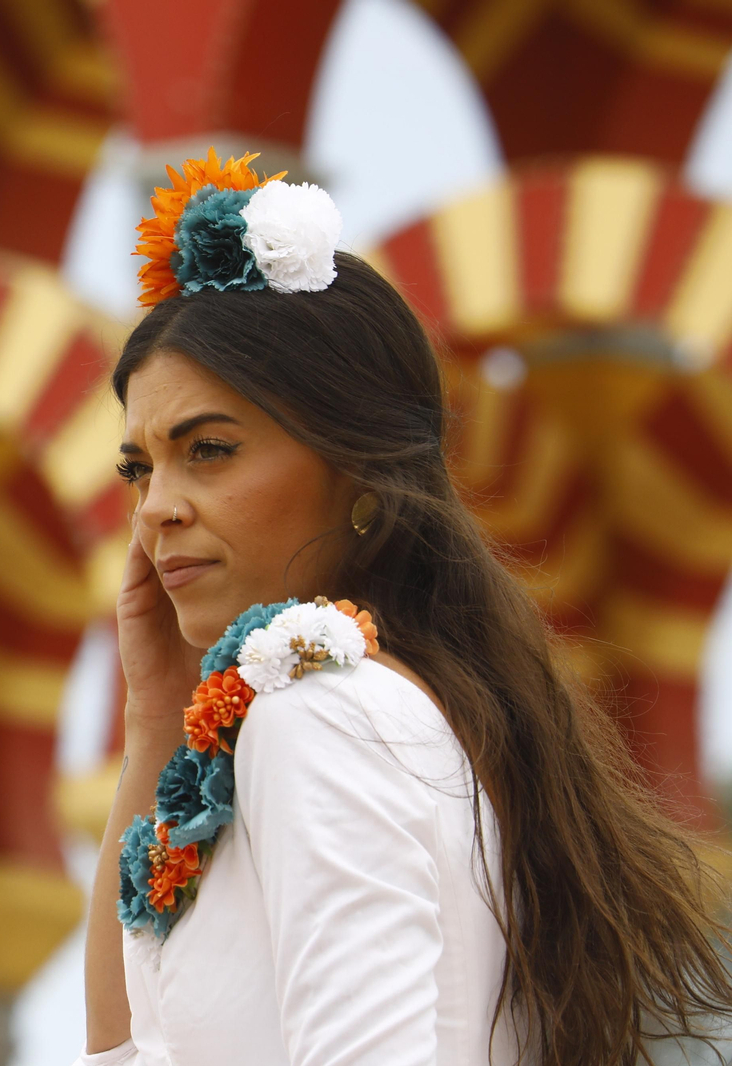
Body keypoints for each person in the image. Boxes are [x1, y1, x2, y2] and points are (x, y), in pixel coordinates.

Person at [77, 150, 732, 1066]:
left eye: (210, 450)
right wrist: (152, 715)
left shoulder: (322, 713)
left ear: (355, 466)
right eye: (139, 469)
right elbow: (120, 1048)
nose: (157, 509)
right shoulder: (373, 709)